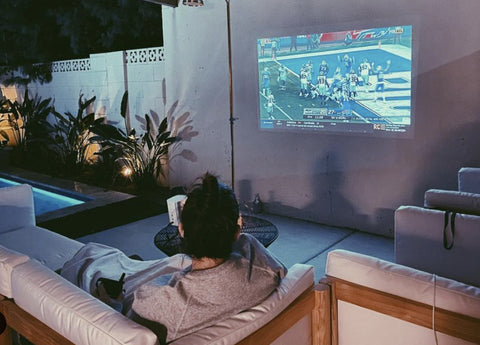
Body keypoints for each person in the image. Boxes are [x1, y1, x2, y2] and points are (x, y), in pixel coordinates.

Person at [62, 173, 286, 344]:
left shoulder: (156, 304)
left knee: (92, 263)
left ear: (181, 230)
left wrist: (112, 305)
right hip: (193, 275)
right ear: (236, 231)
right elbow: (253, 248)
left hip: (118, 290)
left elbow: (121, 333)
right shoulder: (262, 266)